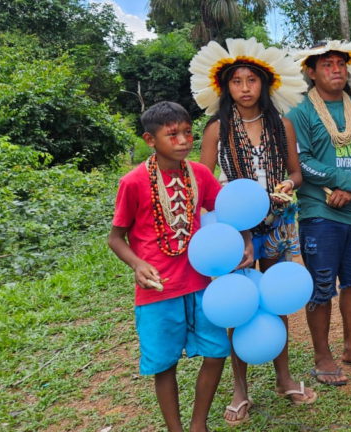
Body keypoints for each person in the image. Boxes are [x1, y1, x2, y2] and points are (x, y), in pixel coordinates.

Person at [188, 37, 316, 425]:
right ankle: (240, 390)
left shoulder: (282, 125)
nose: (245, 88)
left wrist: (287, 187)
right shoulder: (217, 129)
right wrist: (237, 226)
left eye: (251, 80)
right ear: (225, 87)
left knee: (276, 299)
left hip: (277, 223)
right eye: (237, 81)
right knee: (237, 303)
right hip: (233, 232)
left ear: (265, 83)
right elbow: (206, 185)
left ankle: (283, 378)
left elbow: (296, 172)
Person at [107, 101, 253, 432]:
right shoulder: (133, 182)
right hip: (158, 291)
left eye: (188, 132)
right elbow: (115, 238)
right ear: (150, 139)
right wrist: (138, 264)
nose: (184, 141)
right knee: (165, 364)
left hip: (202, 284)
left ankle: (198, 423)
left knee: (217, 352)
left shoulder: (200, 174)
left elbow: (228, 210)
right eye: (172, 135)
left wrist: (245, 238)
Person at [288, 39, 351, 386]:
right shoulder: (299, 113)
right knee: (321, 285)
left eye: (340, 64)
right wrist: (347, 180)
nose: (336, 70)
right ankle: (322, 354)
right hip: (319, 211)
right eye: (327, 64)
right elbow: (301, 161)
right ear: (311, 72)